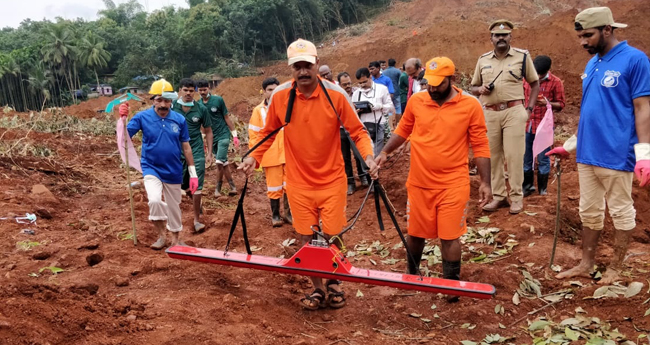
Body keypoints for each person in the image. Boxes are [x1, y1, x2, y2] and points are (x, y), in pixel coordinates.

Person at [239, 38, 378, 310]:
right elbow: (268, 133)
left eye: (307, 65)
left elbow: (358, 131)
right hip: (299, 182)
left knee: (333, 234)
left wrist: (369, 157)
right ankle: (316, 288)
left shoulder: (335, 94)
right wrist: (253, 158)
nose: (303, 71)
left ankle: (335, 282)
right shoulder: (280, 96)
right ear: (291, 69)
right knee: (306, 237)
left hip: (332, 179)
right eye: (297, 67)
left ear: (316, 64)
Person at [547, 7, 650, 284]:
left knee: (620, 210)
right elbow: (593, 112)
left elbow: (643, 108)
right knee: (589, 210)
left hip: (617, 152)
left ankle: (616, 267)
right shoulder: (593, 64)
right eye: (580, 36)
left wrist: (644, 155)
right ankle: (586, 262)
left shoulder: (635, 60)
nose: (583, 42)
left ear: (608, 30)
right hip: (587, 154)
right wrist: (569, 146)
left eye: (588, 36)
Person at [375, 57, 492, 302]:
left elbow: (480, 145)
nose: (433, 89)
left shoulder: (470, 106)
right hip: (419, 182)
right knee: (416, 233)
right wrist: (385, 152)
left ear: (453, 79)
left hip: (453, 183)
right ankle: (411, 275)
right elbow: (403, 130)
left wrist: (485, 182)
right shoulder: (417, 101)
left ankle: (451, 286)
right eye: (429, 83)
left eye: (439, 84)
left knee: (449, 236)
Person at [471, 19, 539, 214]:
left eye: (504, 35)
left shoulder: (522, 56)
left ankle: (517, 197)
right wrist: (480, 89)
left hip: (514, 111)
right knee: (493, 156)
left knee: (514, 155)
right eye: (497, 35)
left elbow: (534, 83)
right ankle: (499, 196)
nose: (501, 38)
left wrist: (529, 109)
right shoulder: (483, 60)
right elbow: (473, 87)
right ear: (491, 38)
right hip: (490, 113)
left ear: (510, 36)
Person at [125, 79, 197, 249]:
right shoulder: (142, 117)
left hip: (173, 169)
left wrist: (192, 173)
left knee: (174, 207)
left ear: (171, 101)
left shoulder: (179, 119)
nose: (163, 104)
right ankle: (161, 236)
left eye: (166, 100)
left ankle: (175, 239)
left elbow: (186, 147)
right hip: (151, 167)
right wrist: (121, 119)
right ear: (153, 100)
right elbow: (123, 136)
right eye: (159, 100)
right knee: (155, 201)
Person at [248, 77, 293, 227]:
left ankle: (288, 214)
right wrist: (255, 157)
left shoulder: (288, 106)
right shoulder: (258, 111)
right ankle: (275, 215)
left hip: (288, 154)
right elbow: (254, 136)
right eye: (269, 90)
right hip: (271, 155)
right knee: (274, 187)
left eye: (276, 89)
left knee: (290, 185)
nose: (273, 93)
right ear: (264, 92)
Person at [172, 78, 213, 233]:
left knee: (197, 187)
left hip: (196, 151)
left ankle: (197, 220)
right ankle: (197, 204)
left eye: (191, 90)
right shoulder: (172, 108)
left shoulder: (201, 109)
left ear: (194, 91)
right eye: (185, 90)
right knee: (185, 186)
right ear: (180, 90)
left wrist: (209, 153)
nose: (188, 93)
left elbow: (208, 131)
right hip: (177, 153)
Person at [522, 56, 566, 196]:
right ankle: (527, 186)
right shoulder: (525, 79)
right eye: (536, 73)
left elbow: (561, 104)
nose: (538, 77)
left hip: (544, 126)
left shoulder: (556, 82)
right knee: (526, 156)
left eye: (540, 74)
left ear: (547, 71)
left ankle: (543, 190)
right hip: (527, 124)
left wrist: (547, 103)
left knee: (543, 157)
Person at [197, 80, 239, 196]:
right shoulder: (198, 105)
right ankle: (233, 187)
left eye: (204, 90)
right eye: (200, 90)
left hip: (223, 135)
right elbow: (202, 125)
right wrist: (203, 139)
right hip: (212, 138)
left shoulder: (218, 100)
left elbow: (226, 117)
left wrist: (234, 135)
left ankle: (217, 189)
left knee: (219, 162)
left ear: (209, 88)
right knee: (224, 162)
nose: (202, 92)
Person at [353, 67, 393, 158]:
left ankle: (376, 170)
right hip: (362, 127)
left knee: (376, 152)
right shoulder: (356, 94)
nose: (362, 85)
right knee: (365, 152)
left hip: (378, 124)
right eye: (360, 83)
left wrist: (379, 106)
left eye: (364, 82)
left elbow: (390, 107)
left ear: (370, 77)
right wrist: (356, 111)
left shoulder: (381, 89)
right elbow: (352, 110)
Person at [337, 71, 365, 194]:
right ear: (339, 84)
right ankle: (350, 183)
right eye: (344, 84)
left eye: (349, 83)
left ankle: (363, 176)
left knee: (358, 154)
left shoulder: (358, 92)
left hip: (354, 128)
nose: (348, 86)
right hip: (341, 129)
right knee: (345, 157)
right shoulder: (336, 95)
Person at [382, 58, 403, 130]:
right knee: (398, 108)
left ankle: (390, 125)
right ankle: (396, 124)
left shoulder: (384, 72)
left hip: (388, 93)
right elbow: (400, 81)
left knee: (389, 110)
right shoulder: (398, 71)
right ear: (395, 63)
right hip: (396, 92)